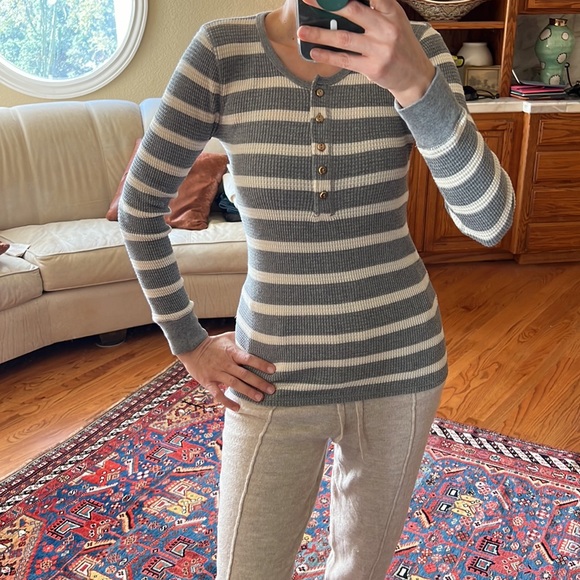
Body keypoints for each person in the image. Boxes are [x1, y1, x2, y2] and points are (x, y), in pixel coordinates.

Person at [119, 0, 515, 577]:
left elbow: (490, 221)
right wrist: (188, 342)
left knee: (361, 568)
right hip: (270, 373)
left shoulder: (417, 47)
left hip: (400, 366)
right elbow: (139, 207)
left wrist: (412, 81)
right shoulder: (222, 51)